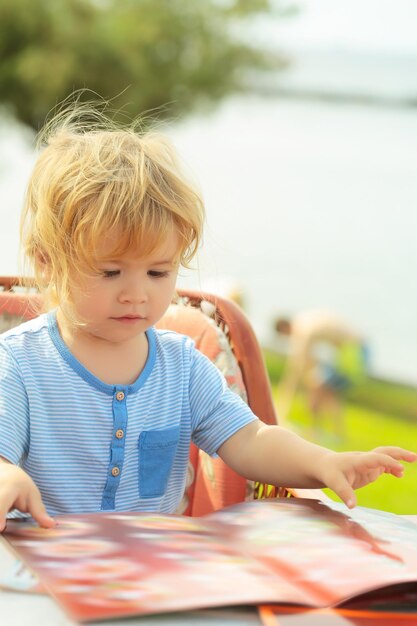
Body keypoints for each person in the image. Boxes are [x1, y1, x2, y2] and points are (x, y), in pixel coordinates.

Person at [0, 103, 415, 532]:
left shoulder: (182, 367)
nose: (137, 294)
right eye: (110, 272)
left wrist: (323, 461)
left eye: (158, 272)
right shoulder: (19, 365)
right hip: (37, 574)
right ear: (47, 262)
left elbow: (251, 440)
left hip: (151, 577)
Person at [275, 310, 369, 440]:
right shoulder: (303, 320)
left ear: (284, 329)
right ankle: (338, 434)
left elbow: (297, 366)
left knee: (317, 386)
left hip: (354, 351)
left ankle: (317, 430)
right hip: (354, 350)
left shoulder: (302, 331)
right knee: (328, 391)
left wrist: (284, 403)